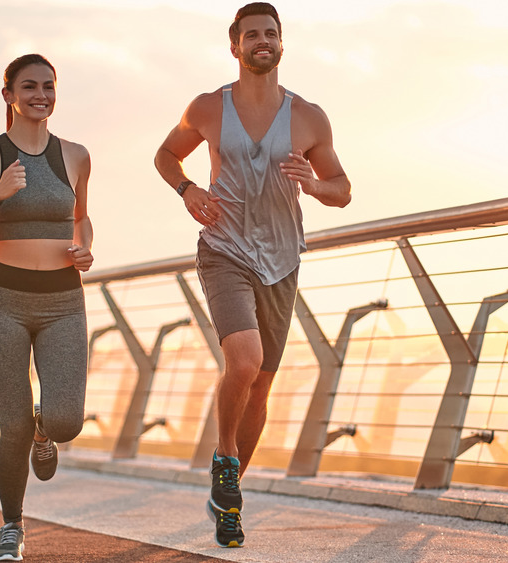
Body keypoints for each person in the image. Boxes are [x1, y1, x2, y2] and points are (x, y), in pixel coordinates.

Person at [154, 2, 351, 548]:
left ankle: (228, 499)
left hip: (281, 262)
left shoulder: (309, 117)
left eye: (271, 33)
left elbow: (343, 189)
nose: (262, 41)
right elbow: (166, 155)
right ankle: (224, 458)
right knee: (245, 360)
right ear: (234, 46)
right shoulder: (207, 108)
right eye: (252, 35)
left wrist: (312, 184)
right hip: (224, 252)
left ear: (281, 43)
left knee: (261, 385)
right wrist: (188, 189)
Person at [0, 53, 94, 562]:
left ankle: (46, 428)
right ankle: (11, 526)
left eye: (49, 86)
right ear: (9, 95)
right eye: (30, 86)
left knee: (66, 422)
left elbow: (81, 218)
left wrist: (84, 248)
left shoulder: (76, 155)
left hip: (63, 302)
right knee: (11, 425)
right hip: (4, 302)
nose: (41, 95)